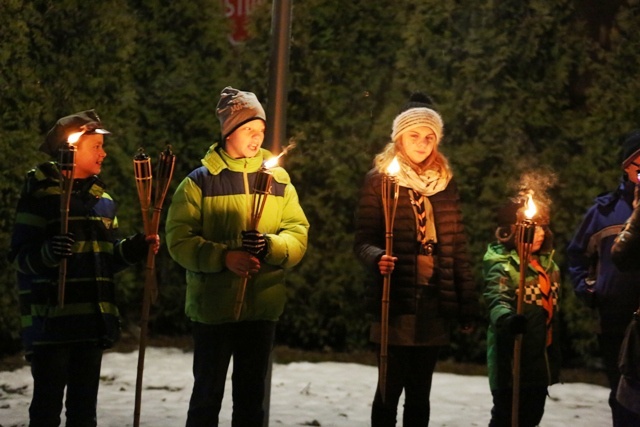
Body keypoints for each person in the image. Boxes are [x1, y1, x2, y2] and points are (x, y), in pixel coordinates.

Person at [165, 86, 309, 427]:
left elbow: (297, 233)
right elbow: (179, 239)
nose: (256, 139)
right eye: (248, 130)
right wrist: (224, 257)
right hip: (214, 308)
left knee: (250, 399)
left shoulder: (277, 180)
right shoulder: (199, 182)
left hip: (261, 307)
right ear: (228, 131)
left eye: (260, 131)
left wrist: (271, 246)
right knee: (206, 396)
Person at [8, 110, 159, 427]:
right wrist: (49, 252)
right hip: (51, 323)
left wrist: (133, 248)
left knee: (83, 411)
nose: (104, 153)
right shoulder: (41, 196)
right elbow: (21, 257)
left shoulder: (103, 200)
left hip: (91, 323)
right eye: (96, 146)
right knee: (47, 408)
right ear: (71, 149)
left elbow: (104, 260)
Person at [353, 92, 479, 426]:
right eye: (414, 135)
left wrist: (466, 304)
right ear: (399, 139)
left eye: (429, 137)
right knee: (389, 389)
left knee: (420, 392)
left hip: (433, 299)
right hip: (396, 298)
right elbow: (363, 240)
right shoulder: (381, 181)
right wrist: (378, 257)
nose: (422, 143)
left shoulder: (444, 184)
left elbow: (457, 246)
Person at [567, 129, 640, 426]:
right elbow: (576, 255)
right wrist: (588, 289)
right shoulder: (604, 211)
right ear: (626, 166)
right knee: (620, 390)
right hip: (613, 314)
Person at [482, 197, 562, 427]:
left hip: (540, 360)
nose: (540, 233)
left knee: (532, 416)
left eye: (543, 228)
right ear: (511, 231)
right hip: (513, 360)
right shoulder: (503, 264)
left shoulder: (549, 267)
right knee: (507, 417)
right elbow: (497, 298)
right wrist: (507, 319)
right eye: (532, 228)